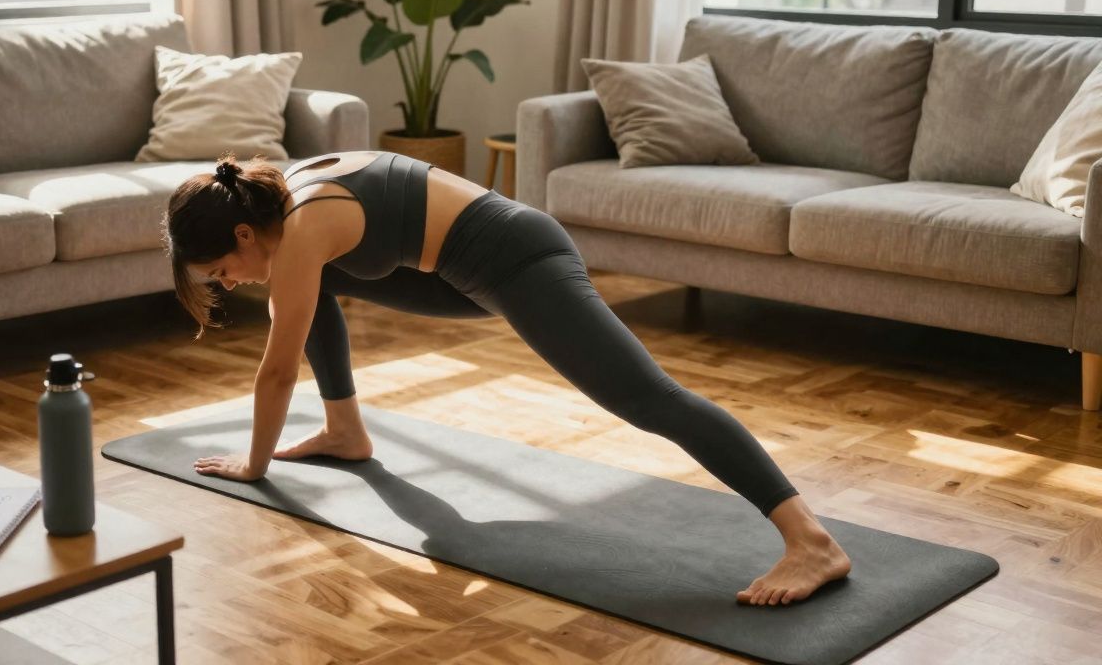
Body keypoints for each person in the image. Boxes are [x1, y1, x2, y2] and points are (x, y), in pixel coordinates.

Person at [162, 149, 852, 606]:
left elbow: (277, 372)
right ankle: (346, 432)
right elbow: (299, 307)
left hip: (521, 260)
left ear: (244, 235)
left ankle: (811, 542)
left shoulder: (304, 226)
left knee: (647, 398)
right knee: (302, 293)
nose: (231, 283)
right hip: (460, 269)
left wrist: (254, 464)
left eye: (223, 271)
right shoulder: (280, 200)